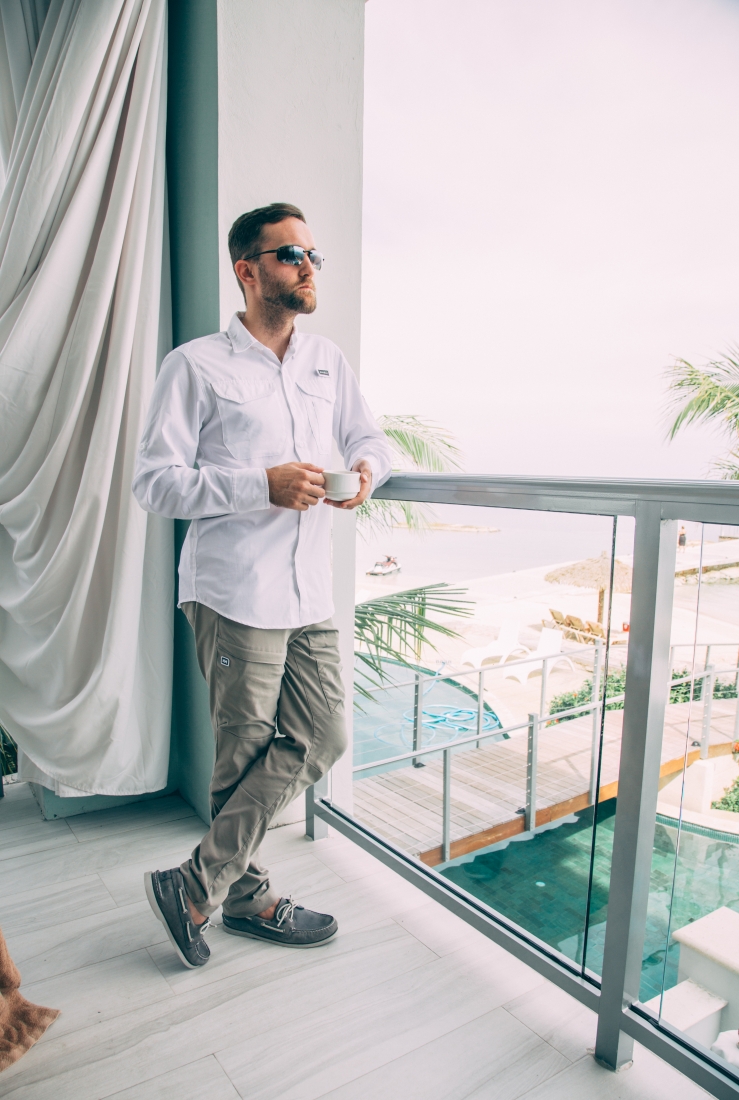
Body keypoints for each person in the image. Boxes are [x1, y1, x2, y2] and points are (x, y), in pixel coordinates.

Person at [132, 203, 392, 968]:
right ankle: (244, 899)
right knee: (242, 756)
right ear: (247, 270)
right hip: (233, 592)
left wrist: (367, 475)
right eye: (290, 255)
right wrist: (262, 486)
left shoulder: (326, 362)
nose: (308, 266)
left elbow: (368, 437)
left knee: (325, 734)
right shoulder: (194, 366)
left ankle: (195, 884)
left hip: (309, 591)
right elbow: (155, 484)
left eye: (312, 254)